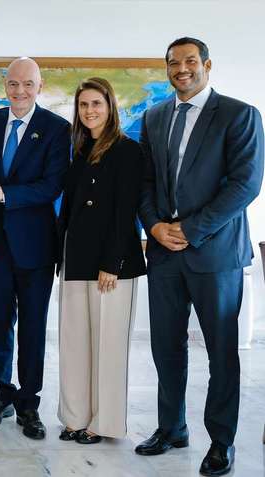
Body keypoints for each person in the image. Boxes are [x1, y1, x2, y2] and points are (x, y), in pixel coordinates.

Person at [136, 37, 263, 476]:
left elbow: (244, 185)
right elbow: (145, 181)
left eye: (190, 61)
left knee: (221, 352)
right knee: (165, 348)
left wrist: (189, 230)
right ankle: (172, 428)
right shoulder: (153, 117)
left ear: (207, 64)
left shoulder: (239, 114)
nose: (182, 69)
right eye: (174, 63)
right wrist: (153, 226)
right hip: (164, 254)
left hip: (216, 255)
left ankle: (221, 441)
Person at [0, 57, 71, 439]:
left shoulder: (57, 129)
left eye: (28, 84)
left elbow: (52, 186)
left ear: (40, 87)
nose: (20, 91)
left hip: (36, 246)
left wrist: (4, 193)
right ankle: (2, 394)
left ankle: (30, 402)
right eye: (13, 84)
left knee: (32, 326)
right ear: (5, 86)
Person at [56, 77, 146, 444]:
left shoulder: (128, 150)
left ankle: (103, 423)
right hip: (75, 258)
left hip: (112, 264)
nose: (90, 111)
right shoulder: (79, 150)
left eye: (96, 103)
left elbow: (126, 212)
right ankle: (75, 417)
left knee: (108, 346)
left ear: (110, 107)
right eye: (83, 105)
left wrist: (113, 263)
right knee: (74, 343)